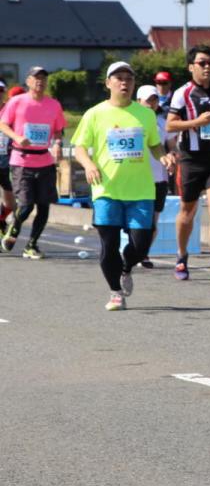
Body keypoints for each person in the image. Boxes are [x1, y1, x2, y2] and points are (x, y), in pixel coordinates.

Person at [72, 63, 175, 310]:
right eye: (119, 78)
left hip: (140, 190)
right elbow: (79, 147)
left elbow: (154, 144)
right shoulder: (95, 114)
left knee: (141, 244)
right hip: (106, 190)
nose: (124, 82)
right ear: (108, 83)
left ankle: (127, 268)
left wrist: (163, 155)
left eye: (129, 78)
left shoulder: (146, 114)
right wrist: (88, 165)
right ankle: (115, 292)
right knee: (108, 245)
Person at [167, 45, 210, 281]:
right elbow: (170, 125)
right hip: (191, 160)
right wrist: (196, 121)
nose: (207, 67)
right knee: (188, 211)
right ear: (191, 67)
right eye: (202, 63)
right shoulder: (182, 93)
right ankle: (182, 256)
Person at [0, 66, 66, 258]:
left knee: (44, 206)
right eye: (36, 78)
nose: (40, 81)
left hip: (45, 159)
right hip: (21, 159)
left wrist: (58, 144)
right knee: (27, 204)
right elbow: (2, 123)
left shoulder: (54, 105)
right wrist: (16, 137)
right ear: (28, 81)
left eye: (43, 78)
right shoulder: (16, 102)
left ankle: (32, 245)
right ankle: (13, 231)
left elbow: (58, 130)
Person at [135, 85, 173, 269]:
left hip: (159, 178)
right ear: (139, 101)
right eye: (148, 100)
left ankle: (143, 253)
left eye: (155, 100)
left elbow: (171, 145)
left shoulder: (162, 122)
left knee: (153, 221)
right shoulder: (132, 121)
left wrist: (173, 154)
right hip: (138, 177)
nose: (152, 104)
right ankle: (134, 249)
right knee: (139, 220)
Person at [0, 79, 14, 232]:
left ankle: (1, 220)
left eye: (0, 91)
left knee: (11, 205)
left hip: (7, 162)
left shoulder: (11, 111)